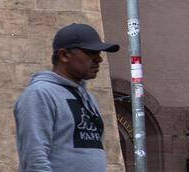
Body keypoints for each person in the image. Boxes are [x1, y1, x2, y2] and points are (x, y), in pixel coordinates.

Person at [14, 22, 116, 172]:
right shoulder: (40, 94)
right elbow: (35, 156)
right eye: (90, 52)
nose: (99, 59)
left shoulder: (89, 99)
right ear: (64, 55)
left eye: (99, 54)